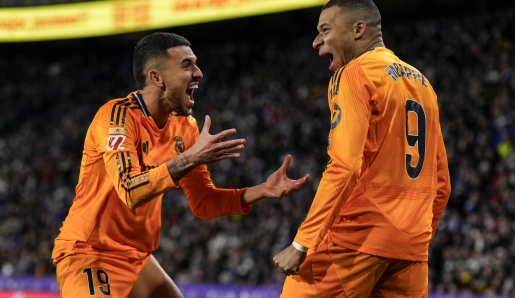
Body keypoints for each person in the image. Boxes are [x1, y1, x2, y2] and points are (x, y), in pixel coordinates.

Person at [52, 32, 309, 298]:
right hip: (89, 250)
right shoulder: (117, 116)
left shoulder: (185, 127)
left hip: (136, 256)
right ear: (156, 77)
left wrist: (260, 190)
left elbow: (204, 202)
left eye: (195, 64)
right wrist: (190, 158)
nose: (198, 73)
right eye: (187, 65)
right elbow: (129, 190)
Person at [273, 0, 451, 297]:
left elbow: (345, 166)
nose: (316, 40)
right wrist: (414, 239)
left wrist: (301, 243)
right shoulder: (423, 85)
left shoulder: (355, 73)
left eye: (325, 30)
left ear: (358, 29)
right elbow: (442, 182)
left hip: (355, 242)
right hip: (411, 250)